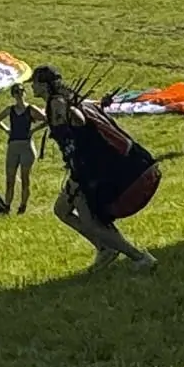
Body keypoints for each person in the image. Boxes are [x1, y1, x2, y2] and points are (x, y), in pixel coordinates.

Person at [29, 65, 159, 272]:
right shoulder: (64, 100)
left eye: (34, 83)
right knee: (62, 209)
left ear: (44, 85)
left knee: (91, 221)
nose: (32, 87)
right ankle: (104, 248)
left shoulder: (58, 103)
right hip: (84, 167)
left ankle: (139, 257)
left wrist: (68, 121)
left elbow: (78, 121)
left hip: (92, 169)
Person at [0, 83, 45, 214]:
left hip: (26, 146)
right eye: (16, 92)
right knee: (10, 179)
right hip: (13, 146)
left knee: (25, 179)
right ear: (13, 95)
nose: (19, 94)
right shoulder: (10, 110)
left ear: (24, 93)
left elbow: (46, 120)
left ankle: (22, 206)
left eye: (21, 91)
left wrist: (33, 130)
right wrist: (7, 130)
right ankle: (7, 206)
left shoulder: (31, 109)